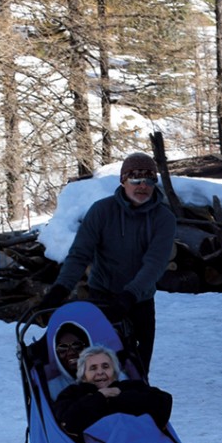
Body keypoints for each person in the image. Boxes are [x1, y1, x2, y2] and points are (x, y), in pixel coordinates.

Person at [41, 152, 176, 375]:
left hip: (139, 302)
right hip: (101, 298)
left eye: (149, 180)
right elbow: (79, 254)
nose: (142, 186)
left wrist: (130, 295)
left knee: (137, 370)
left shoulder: (163, 218)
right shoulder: (101, 211)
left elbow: (154, 264)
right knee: (99, 369)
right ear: (123, 181)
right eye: (135, 180)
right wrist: (60, 289)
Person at [54, 344, 173, 438]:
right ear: (83, 376)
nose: (100, 372)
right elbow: (68, 423)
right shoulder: (72, 393)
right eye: (93, 368)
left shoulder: (129, 387)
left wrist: (118, 397)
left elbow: (164, 401)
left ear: (115, 373)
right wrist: (99, 398)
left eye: (105, 367)